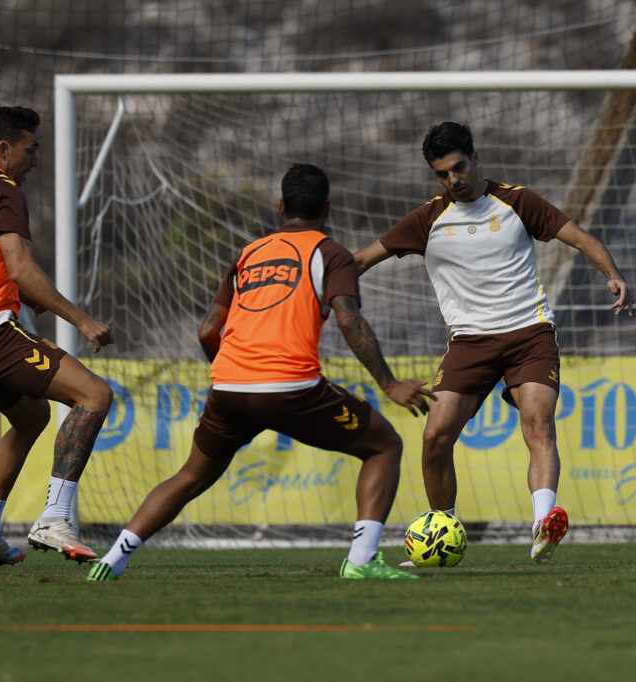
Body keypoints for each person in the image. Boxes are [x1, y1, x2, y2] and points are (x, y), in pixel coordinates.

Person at [88, 163, 431, 581]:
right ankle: (361, 560)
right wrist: (390, 383)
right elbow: (348, 319)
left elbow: (207, 329)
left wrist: (231, 370)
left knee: (191, 475)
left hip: (229, 387)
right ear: (329, 208)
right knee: (383, 447)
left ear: (281, 206)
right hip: (292, 389)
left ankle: (112, 559)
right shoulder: (330, 253)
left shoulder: (248, 253)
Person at [354, 122, 632, 565]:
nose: (453, 180)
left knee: (538, 422)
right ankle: (442, 534)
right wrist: (320, 285)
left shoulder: (518, 202)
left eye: (459, 168)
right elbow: (361, 260)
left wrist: (612, 274)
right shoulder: (427, 219)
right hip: (469, 343)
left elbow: (579, 237)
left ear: (475, 158)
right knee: (435, 438)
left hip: (530, 333)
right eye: (442, 174)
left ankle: (543, 528)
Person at [0, 106, 114, 567]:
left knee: (31, 421)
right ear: (3, 149)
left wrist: (23, 296)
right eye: (30, 151)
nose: (34, 161)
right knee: (94, 395)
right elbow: (21, 268)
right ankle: (54, 516)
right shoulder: (1, 189)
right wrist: (82, 321)